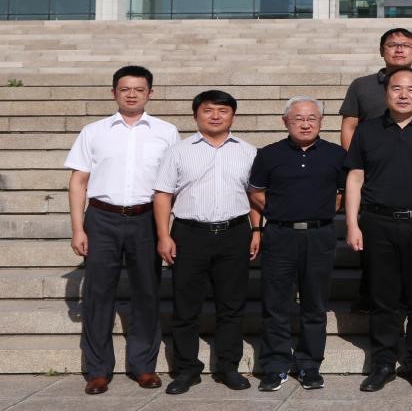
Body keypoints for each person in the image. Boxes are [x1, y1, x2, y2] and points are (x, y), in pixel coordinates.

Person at [65, 65, 179, 395]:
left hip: (146, 218)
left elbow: (172, 182)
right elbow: (78, 181)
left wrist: (165, 229)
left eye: (139, 89)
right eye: (125, 89)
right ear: (113, 92)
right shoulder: (94, 131)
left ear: (150, 93)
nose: (132, 94)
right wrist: (77, 228)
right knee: (98, 294)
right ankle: (98, 370)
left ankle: (143, 366)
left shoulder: (166, 132)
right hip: (102, 218)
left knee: (147, 291)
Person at [344, 68, 412, 393]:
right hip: (378, 223)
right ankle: (383, 362)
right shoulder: (367, 130)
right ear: (386, 93)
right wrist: (352, 224)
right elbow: (355, 178)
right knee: (382, 297)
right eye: (397, 88)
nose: (404, 95)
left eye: (411, 89)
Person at [153, 90, 261, 395]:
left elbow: (255, 195)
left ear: (233, 116)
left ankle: (228, 367)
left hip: (234, 233)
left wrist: (256, 230)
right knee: (186, 306)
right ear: (196, 115)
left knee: (232, 305)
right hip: (190, 234)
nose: (215, 116)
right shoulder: (178, 151)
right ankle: (187, 369)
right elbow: (163, 194)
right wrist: (164, 235)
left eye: (222, 111)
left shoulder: (248, 152)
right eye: (208, 110)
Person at [340, 27, 412, 314]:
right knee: (378, 272)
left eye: (406, 45)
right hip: (377, 176)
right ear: (382, 50)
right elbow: (350, 126)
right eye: (392, 44)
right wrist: (359, 163)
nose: (399, 49)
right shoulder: (362, 86)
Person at [248, 97, 346, 392]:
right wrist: (280, 211)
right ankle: (275, 365)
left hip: (319, 235)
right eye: (298, 119)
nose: (305, 124)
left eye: (311, 118)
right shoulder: (269, 154)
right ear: (285, 122)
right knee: (276, 304)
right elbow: (256, 192)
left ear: (321, 121)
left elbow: (342, 194)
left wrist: (318, 211)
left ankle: (309, 365)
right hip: (280, 235)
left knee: (314, 304)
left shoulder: (336, 154)